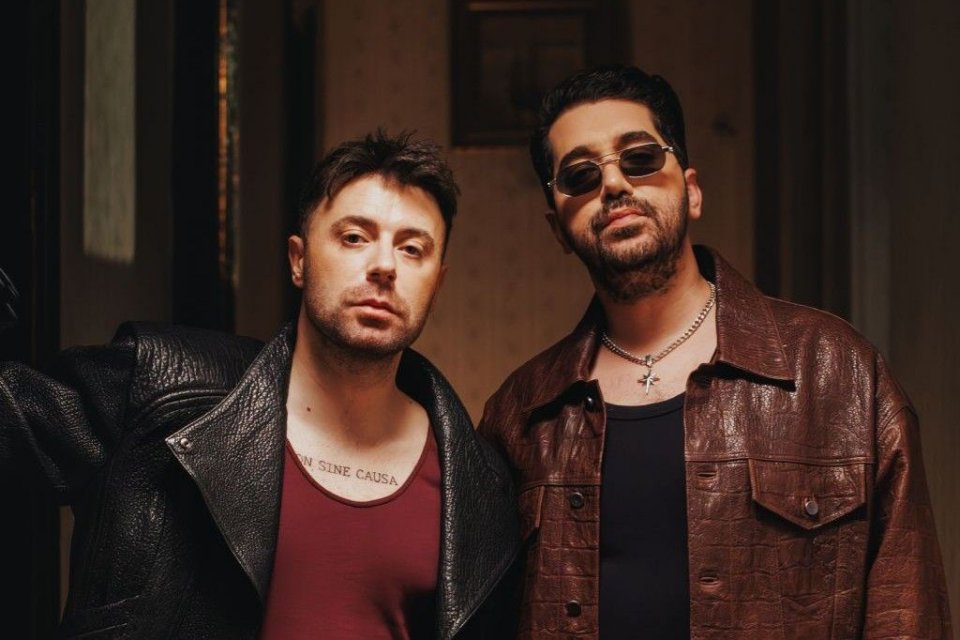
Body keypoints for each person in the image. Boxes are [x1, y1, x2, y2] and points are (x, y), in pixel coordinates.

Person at [478, 65, 952, 639]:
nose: (615, 184)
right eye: (580, 175)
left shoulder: (838, 371)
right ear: (558, 229)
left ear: (692, 190)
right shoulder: (521, 413)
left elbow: (908, 610)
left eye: (640, 158)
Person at [0, 130, 520, 639]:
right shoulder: (165, 391)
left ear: (437, 282)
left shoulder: (478, 487)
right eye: (354, 237)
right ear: (299, 260)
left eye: (412, 249)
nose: (384, 265)